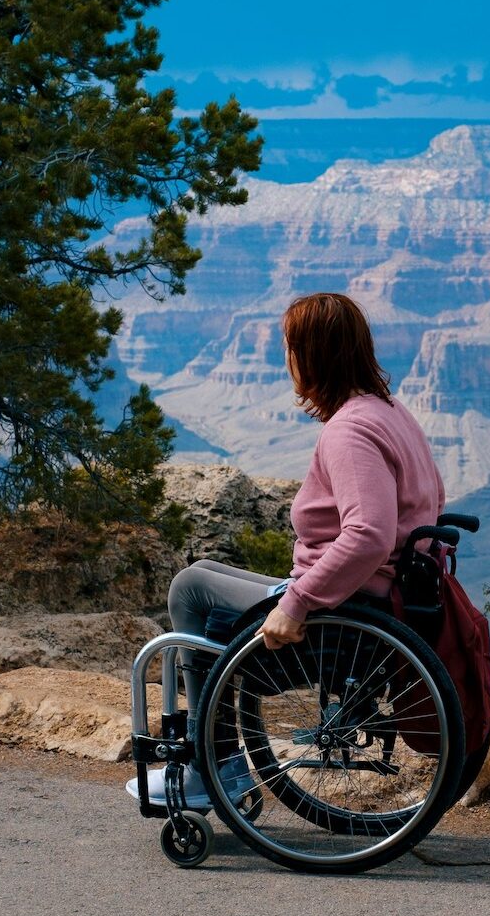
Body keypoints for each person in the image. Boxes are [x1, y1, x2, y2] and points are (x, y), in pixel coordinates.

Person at [133, 291, 447, 810]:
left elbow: (368, 534)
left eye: (290, 349)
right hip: (375, 598)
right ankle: (217, 761)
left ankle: (211, 764)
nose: (286, 362)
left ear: (314, 355)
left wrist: (296, 602)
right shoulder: (391, 413)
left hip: (343, 611)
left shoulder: (349, 431)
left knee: (190, 587)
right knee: (205, 573)